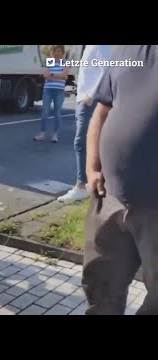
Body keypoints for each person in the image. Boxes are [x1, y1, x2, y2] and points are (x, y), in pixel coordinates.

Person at [82, 45, 158, 315]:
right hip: (109, 199)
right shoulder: (127, 50)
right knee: (100, 286)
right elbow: (101, 113)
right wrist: (91, 168)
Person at [58, 45, 110, 202]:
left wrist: (91, 96)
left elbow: (107, 72)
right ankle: (89, 184)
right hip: (83, 100)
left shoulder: (100, 47)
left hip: (89, 101)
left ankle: (82, 186)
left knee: (82, 143)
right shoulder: (89, 47)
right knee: (83, 143)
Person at [34, 45, 69, 143]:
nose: (57, 53)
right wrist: (59, 76)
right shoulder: (49, 62)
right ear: (52, 53)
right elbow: (45, 76)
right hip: (48, 90)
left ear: (63, 53)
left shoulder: (66, 63)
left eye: (59, 51)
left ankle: (55, 135)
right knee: (45, 113)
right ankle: (42, 134)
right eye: (55, 51)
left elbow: (64, 76)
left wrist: (52, 75)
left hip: (59, 91)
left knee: (57, 114)